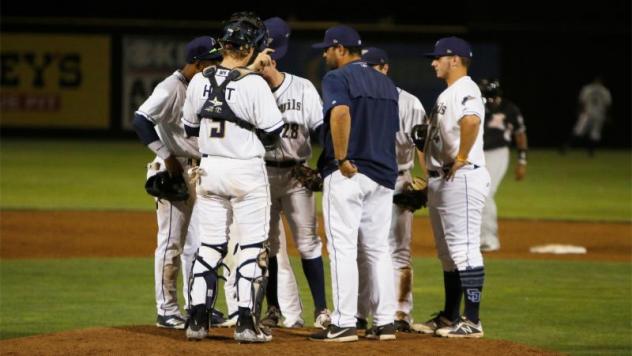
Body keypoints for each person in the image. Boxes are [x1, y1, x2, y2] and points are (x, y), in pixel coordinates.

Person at [181, 11, 284, 343]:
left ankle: (196, 321)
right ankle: (246, 323)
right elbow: (273, 133)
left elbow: (190, 128)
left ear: (224, 44)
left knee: (209, 245)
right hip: (246, 171)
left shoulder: (200, 79)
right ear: (251, 47)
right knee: (252, 246)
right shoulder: (254, 84)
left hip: (209, 169)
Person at [308, 25, 400, 342]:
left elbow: (341, 113)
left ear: (342, 50)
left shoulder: (338, 77)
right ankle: (386, 320)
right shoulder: (388, 84)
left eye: (328, 48)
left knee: (342, 247)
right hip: (384, 175)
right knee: (378, 249)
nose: (324, 54)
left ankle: (345, 321)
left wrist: (343, 157)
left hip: (349, 173)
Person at [131, 36, 222, 330]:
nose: (217, 66)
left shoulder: (200, 87)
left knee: (196, 245)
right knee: (171, 242)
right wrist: (166, 155)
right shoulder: (171, 87)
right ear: (197, 63)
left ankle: (196, 305)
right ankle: (166, 309)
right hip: (175, 171)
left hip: (198, 171)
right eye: (212, 62)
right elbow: (141, 119)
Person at [412, 37, 490, 338]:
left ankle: (472, 320)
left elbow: (471, 122)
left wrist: (459, 157)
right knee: (447, 254)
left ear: (454, 59)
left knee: (465, 250)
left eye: (438, 57)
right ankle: (449, 316)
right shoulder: (450, 93)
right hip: (443, 179)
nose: (433, 62)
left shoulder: (466, 88)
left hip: (463, 177)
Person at [256, 17, 331, 330]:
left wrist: (324, 164)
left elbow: (322, 128)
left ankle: (322, 310)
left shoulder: (302, 87)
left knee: (308, 243)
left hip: (296, 175)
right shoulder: (249, 88)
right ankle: (273, 308)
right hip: (260, 174)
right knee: (269, 244)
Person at [356, 47, 426, 332]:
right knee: (362, 250)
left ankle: (400, 313)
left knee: (398, 250)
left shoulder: (409, 103)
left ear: (385, 68)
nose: (369, 73)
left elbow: (423, 144)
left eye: (373, 67)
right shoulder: (357, 99)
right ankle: (359, 313)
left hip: (398, 178)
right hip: (363, 179)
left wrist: (427, 182)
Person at [478, 79, 528, 252]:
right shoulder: (476, 105)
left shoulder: (510, 109)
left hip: (498, 153)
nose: (490, 101)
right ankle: (477, 238)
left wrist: (522, 160)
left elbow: (520, 134)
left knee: (485, 193)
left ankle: (490, 239)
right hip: (477, 154)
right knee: (474, 195)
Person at [563, 76, 612, 156]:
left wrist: (579, 111)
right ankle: (589, 150)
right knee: (594, 133)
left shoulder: (587, 88)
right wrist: (607, 115)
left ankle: (569, 147)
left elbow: (581, 101)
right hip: (598, 114)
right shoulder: (605, 91)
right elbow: (607, 105)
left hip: (588, 113)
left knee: (581, 131)